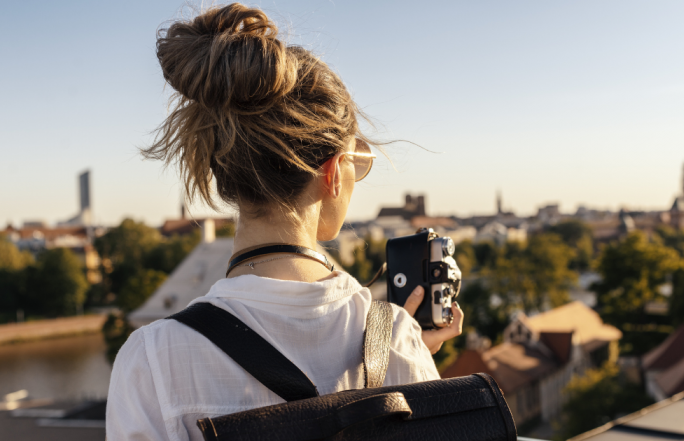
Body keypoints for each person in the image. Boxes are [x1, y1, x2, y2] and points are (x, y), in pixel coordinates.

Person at [106, 3, 463, 440]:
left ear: (224, 173)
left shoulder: (152, 360)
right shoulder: (395, 341)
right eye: (357, 164)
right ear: (332, 173)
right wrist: (403, 356)